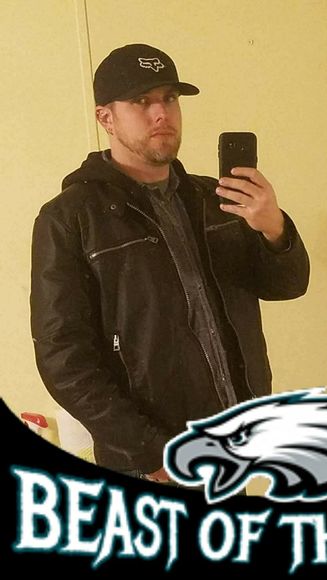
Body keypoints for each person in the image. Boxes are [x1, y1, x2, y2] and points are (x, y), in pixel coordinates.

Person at [30, 44, 309, 483]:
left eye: (170, 98)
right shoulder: (70, 217)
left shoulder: (215, 199)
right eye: (141, 101)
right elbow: (63, 357)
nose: (161, 113)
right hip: (149, 463)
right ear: (105, 118)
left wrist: (273, 228)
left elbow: (286, 285)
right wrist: (150, 452)